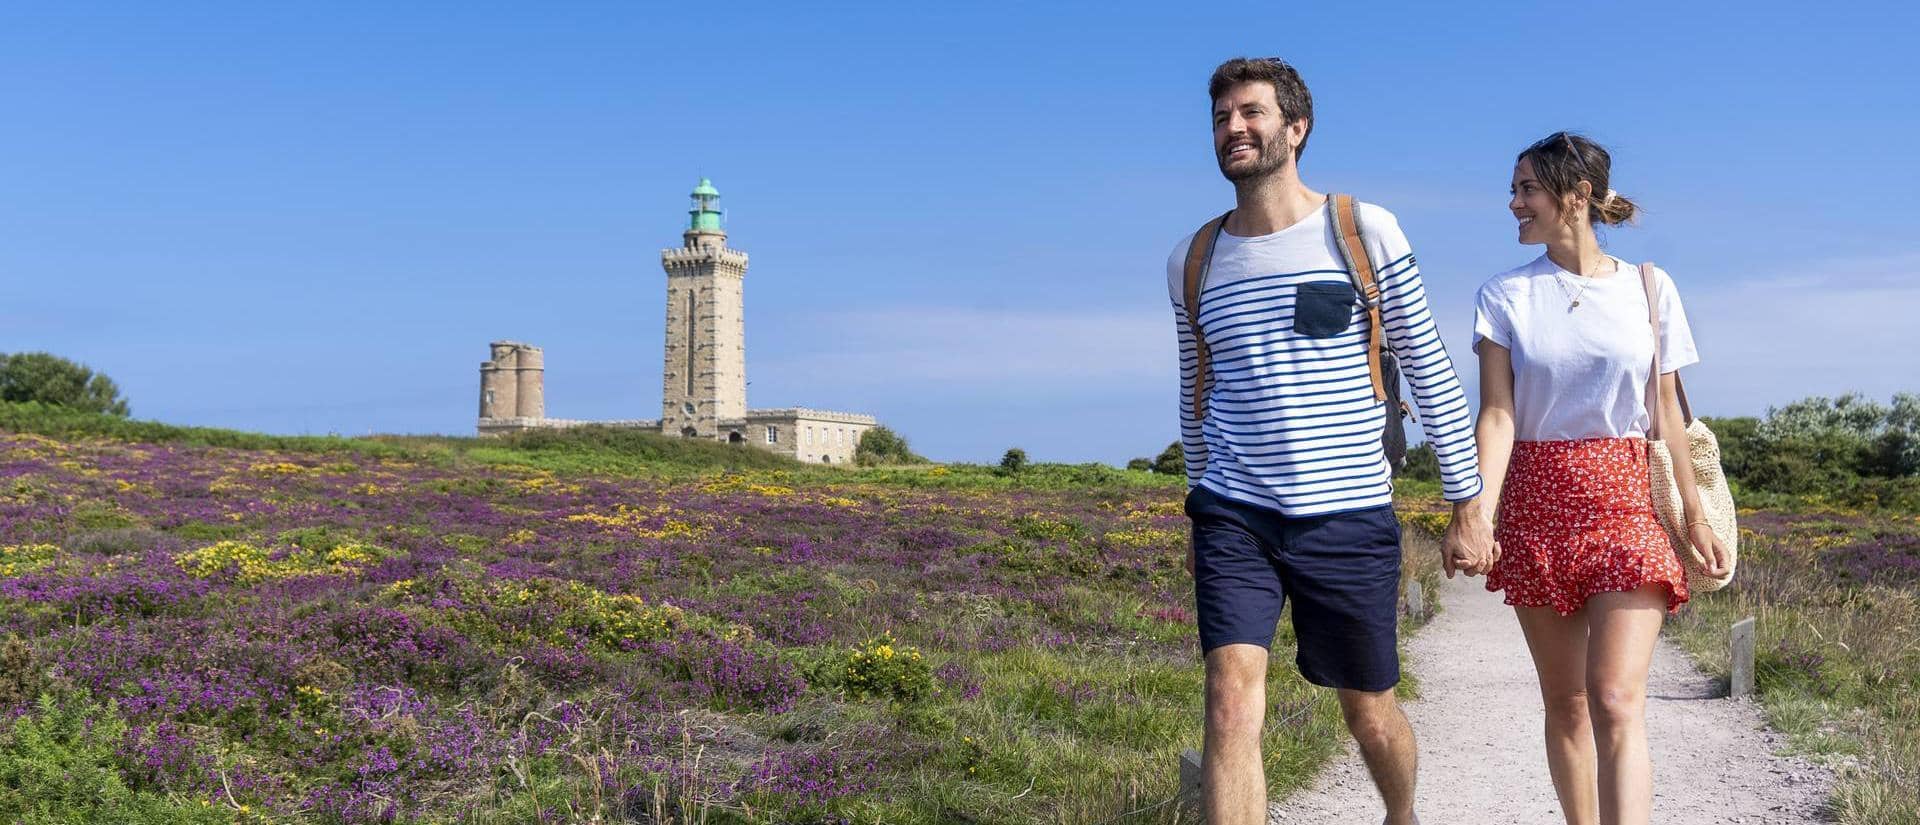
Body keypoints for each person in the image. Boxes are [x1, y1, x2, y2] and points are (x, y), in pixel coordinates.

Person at [1168, 56, 1496, 825]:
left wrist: (1467, 502)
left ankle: (1401, 813)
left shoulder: (1361, 229)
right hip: (1234, 513)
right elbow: (1196, 391)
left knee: (1369, 710)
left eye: (1250, 113)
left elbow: (1429, 366)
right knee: (1229, 702)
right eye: (1221, 118)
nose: (1233, 129)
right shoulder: (1193, 258)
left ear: (1296, 127)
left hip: (1346, 510)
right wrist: (1197, 502)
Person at [1470, 132, 1732, 825]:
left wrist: (1696, 516)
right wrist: (1477, 511)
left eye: (1527, 188)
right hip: (1535, 497)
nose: (1514, 203)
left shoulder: (1651, 286)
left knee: (1616, 697)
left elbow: (1666, 409)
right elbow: (1496, 414)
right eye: (1515, 188)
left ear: (1577, 196)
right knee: (1568, 702)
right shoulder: (1504, 296)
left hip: (1626, 498)